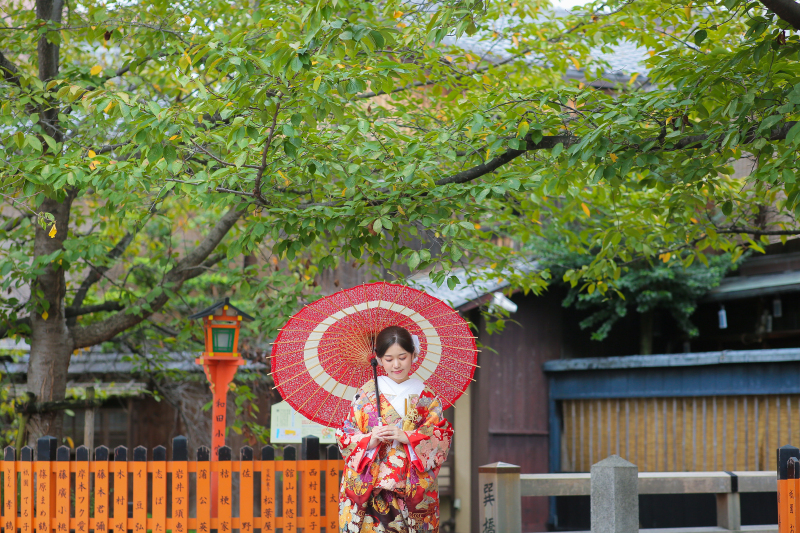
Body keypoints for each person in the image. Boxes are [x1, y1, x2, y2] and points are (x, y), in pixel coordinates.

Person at [336, 325, 453, 533]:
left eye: (403, 357)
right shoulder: (366, 394)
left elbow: (441, 439)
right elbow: (346, 435)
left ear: (413, 355)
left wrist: (407, 437)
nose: (396, 365)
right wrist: (370, 440)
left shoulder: (426, 396)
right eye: (389, 359)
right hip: (372, 491)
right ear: (379, 360)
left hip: (410, 492)